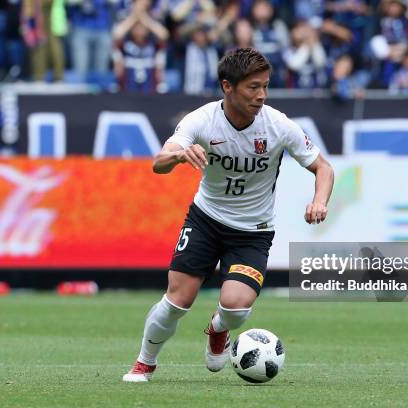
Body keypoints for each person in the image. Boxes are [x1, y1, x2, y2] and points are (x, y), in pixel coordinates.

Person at [122, 47, 334, 382]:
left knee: (235, 307)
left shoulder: (278, 126)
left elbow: (323, 167)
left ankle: (219, 328)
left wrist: (319, 201)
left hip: (254, 230)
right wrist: (178, 157)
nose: (261, 95)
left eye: (265, 86)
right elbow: (158, 163)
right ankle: (144, 363)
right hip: (205, 220)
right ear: (227, 87)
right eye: (253, 87)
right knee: (179, 300)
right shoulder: (201, 120)